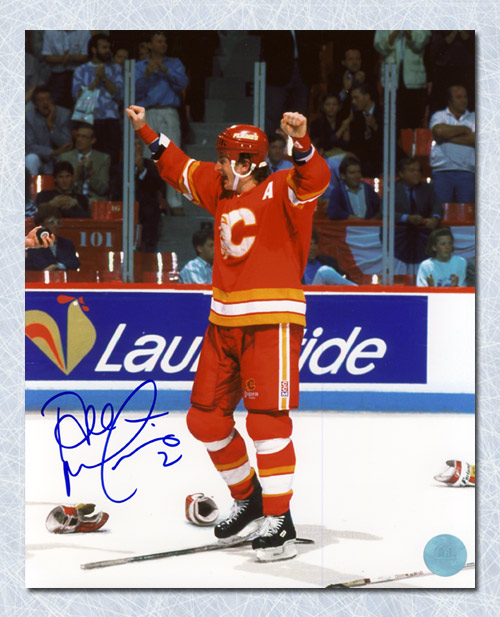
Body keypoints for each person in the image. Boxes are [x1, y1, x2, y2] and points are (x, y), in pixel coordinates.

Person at [126, 104, 330, 562]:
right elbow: (181, 168)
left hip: (271, 321)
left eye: (224, 159)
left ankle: (279, 519)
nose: (216, 166)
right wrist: (146, 131)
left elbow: (315, 177)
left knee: (266, 422)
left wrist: (300, 141)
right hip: (223, 322)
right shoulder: (221, 188)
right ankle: (249, 498)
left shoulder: (284, 187)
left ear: (246, 163)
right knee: (205, 419)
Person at [135, 31, 188, 216]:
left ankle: (174, 202)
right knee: (147, 157)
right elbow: (133, 90)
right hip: (148, 112)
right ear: (149, 45)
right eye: (159, 41)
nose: (163, 44)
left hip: (168, 111)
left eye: (165, 41)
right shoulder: (140, 66)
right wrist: (148, 74)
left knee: (172, 157)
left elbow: (183, 83)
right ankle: (151, 201)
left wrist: (165, 71)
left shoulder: (174, 63)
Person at [72, 33, 124, 166]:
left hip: (111, 120)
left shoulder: (115, 68)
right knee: (91, 160)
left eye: (109, 48)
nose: (108, 51)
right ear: (94, 50)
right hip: (89, 120)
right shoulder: (81, 70)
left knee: (112, 161)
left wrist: (104, 78)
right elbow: (78, 98)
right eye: (104, 47)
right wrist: (96, 80)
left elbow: (119, 95)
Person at [374, 30, 431, 129]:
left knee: (413, 120)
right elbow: (380, 46)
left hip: (414, 80)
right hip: (391, 77)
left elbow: (420, 43)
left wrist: (406, 30)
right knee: (391, 120)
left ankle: (410, 139)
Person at [429, 85, 475, 204]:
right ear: (449, 100)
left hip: (467, 172)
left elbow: (476, 140)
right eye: (459, 97)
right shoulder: (439, 116)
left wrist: (446, 137)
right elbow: (439, 131)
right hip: (442, 172)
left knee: (466, 212)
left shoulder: (475, 117)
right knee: (440, 210)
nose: (463, 100)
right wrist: (464, 129)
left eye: (465, 97)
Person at [25, 86, 73, 176]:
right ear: (35, 104)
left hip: (60, 157)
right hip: (40, 157)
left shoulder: (64, 114)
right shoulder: (28, 117)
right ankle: (31, 185)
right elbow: (29, 146)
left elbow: (67, 144)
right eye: (41, 100)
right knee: (31, 158)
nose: (45, 102)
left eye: (48, 99)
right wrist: (53, 152)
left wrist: (51, 125)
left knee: (68, 157)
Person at [58, 123, 110, 202]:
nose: (79, 139)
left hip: (95, 200)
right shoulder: (65, 157)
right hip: (72, 199)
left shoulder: (103, 158)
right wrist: (77, 174)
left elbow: (103, 189)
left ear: (93, 140)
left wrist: (90, 173)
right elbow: (63, 188)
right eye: (78, 136)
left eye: (84, 137)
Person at [41, 30, 91, 109]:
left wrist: (69, 57)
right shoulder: (49, 31)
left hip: (79, 74)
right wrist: (65, 58)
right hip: (57, 73)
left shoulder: (84, 31)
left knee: (83, 107)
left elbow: (86, 56)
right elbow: (47, 57)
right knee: (57, 106)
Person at [25, 204, 80, 271]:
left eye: (58, 222)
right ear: (42, 225)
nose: (56, 225)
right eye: (51, 222)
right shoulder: (34, 244)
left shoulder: (67, 243)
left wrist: (57, 266)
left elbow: (75, 263)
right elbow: (42, 266)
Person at [344, 84, 383, 176]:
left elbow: (393, 136)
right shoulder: (355, 117)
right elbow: (355, 142)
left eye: (356, 98)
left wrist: (375, 127)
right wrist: (366, 136)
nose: (353, 101)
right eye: (352, 98)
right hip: (366, 158)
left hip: (384, 154)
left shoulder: (383, 112)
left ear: (367, 97)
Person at [328, 155, 380, 220]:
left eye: (358, 172)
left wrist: (373, 220)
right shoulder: (337, 191)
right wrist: (351, 218)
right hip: (348, 226)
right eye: (352, 173)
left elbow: (379, 209)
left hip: (368, 226)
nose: (357, 176)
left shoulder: (369, 189)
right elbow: (334, 212)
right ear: (343, 175)